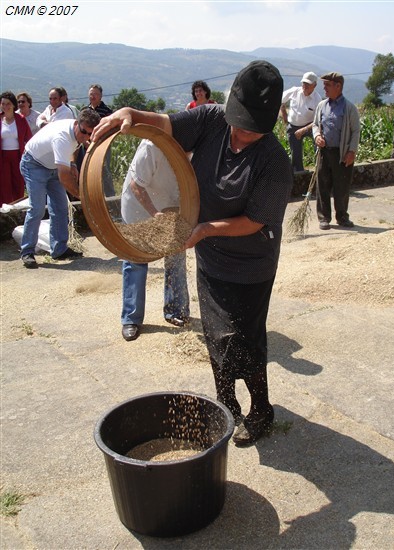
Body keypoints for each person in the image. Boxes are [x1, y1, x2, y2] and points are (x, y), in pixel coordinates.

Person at [92, 60, 293, 446]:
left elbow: (253, 221)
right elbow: (165, 125)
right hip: (212, 257)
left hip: (251, 263)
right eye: (240, 121)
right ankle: (226, 406)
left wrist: (202, 229)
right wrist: (133, 114)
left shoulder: (273, 162)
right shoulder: (212, 120)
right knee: (217, 338)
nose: (243, 132)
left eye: (254, 128)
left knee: (244, 338)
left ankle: (262, 409)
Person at [120, 139, 190, 341]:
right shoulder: (152, 145)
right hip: (139, 208)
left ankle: (176, 311)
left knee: (176, 257)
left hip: (170, 207)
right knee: (136, 260)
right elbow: (136, 185)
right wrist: (154, 213)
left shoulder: (198, 145)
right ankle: (131, 319)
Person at [19, 108, 101, 268]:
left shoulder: (76, 131)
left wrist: (71, 163)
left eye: (90, 135)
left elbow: (72, 149)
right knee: (36, 209)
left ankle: (59, 249)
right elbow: (64, 177)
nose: (86, 137)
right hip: (33, 165)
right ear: (77, 124)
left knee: (60, 207)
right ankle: (27, 251)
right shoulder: (62, 137)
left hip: (52, 167)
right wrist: (80, 196)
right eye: (84, 132)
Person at [312, 72, 360, 230]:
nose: (324, 88)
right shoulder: (321, 105)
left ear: (338, 86)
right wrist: (317, 135)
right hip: (325, 153)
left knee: (342, 186)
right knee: (323, 185)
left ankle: (342, 217)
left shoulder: (349, 108)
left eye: (327, 85)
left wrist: (352, 151)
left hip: (342, 153)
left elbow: (355, 131)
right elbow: (315, 125)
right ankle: (324, 217)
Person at [280, 72, 322, 172]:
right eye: (304, 83)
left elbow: (318, 120)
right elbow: (280, 100)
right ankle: (298, 173)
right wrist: (284, 115)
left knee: (319, 146)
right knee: (295, 154)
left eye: (308, 84)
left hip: (311, 126)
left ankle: (319, 169)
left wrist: (304, 129)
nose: (305, 86)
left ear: (314, 85)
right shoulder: (294, 91)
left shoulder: (317, 99)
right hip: (293, 126)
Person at [0, 91, 32, 205]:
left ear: (13, 105)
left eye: (8, 104)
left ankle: (17, 209)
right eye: (3, 104)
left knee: (18, 184)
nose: (5, 106)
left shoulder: (21, 119)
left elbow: (29, 139)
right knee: (4, 186)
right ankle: (4, 212)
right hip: (2, 158)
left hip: (18, 157)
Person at [84, 84, 115, 196]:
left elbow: (112, 129)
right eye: (91, 94)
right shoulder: (85, 111)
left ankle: (110, 197)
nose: (93, 96)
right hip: (87, 145)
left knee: (104, 171)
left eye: (96, 94)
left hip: (103, 145)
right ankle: (93, 196)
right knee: (89, 171)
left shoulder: (107, 112)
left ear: (101, 96)